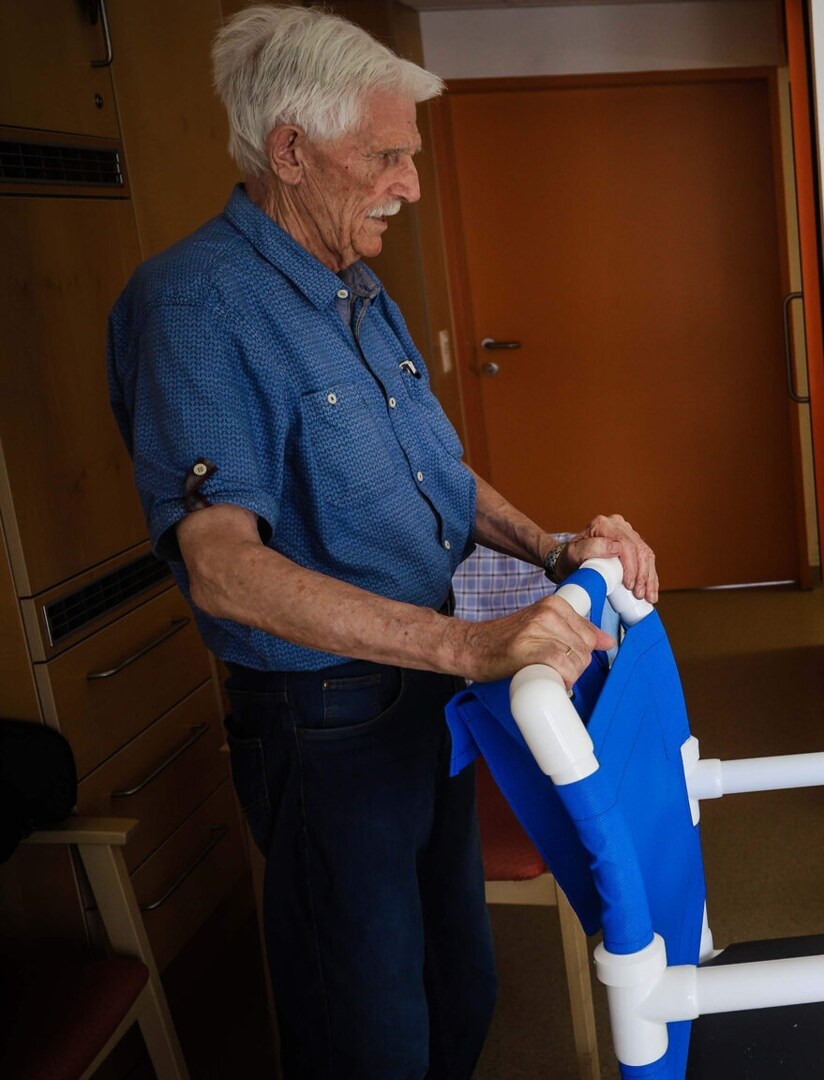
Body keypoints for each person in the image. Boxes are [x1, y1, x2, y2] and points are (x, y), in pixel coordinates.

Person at [105, 7, 658, 1077]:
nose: (409, 182)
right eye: (385, 157)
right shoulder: (196, 305)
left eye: (410, 154)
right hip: (326, 725)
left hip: (425, 698)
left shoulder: (356, 288)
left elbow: (439, 473)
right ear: (291, 152)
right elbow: (222, 569)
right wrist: (469, 645)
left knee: (461, 988)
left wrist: (553, 548)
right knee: (371, 1036)